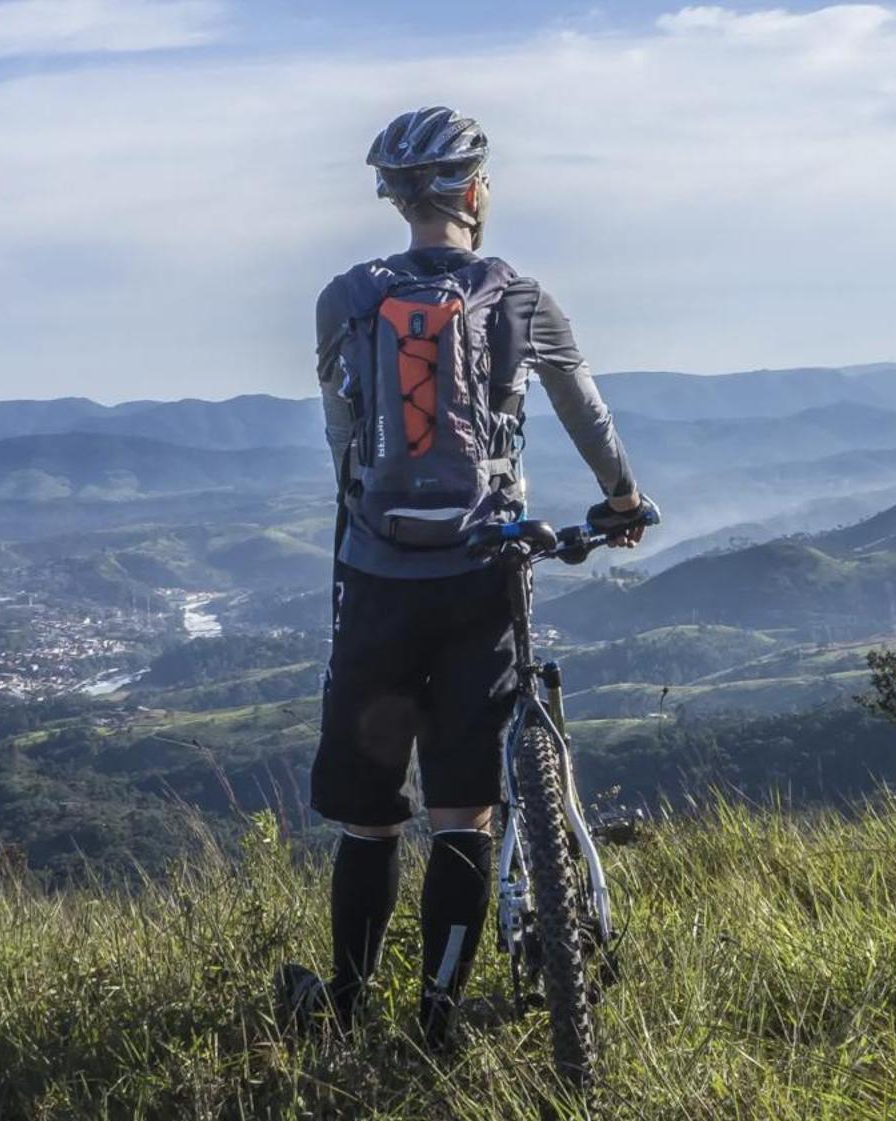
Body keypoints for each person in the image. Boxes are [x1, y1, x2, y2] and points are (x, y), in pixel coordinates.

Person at [275, 106, 656, 1052]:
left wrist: (374, 526)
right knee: (463, 815)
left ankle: (346, 1009)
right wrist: (621, 500)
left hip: (375, 579)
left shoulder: (343, 299)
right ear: (477, 191)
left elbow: (341, 441)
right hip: (483, 576)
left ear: (397, 198)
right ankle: (437, 1018)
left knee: (368, 823)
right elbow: (586, 413)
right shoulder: (519, 296)